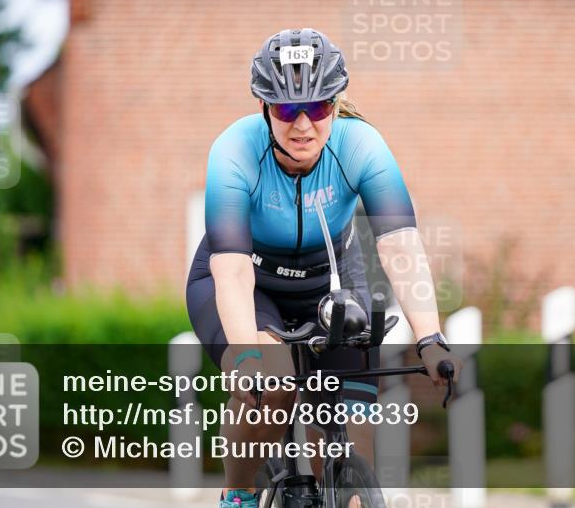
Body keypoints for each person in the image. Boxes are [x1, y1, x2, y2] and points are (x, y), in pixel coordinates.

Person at [186, 28, 461, 508]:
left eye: (317, 108)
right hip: (246, 281)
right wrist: (247, 356)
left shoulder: (362, 146)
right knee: (269, 385)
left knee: (348, 434)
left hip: (331, 280)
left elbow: (400, 247)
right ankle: (239, 492)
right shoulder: (233, 151)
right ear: (264, 107)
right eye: (287, 109)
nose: (303, 124)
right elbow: (232, 271)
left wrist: (430, 337)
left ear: (336, 105)